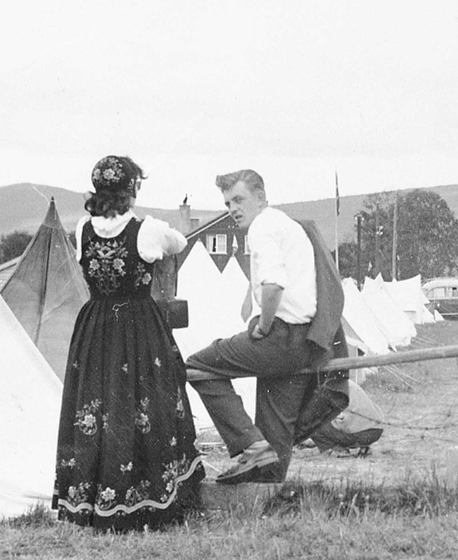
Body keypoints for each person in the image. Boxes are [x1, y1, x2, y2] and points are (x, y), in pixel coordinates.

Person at [53, 155, 204, 530]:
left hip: (96, 326)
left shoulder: (82, 229)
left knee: (98, 404)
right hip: (137, 325)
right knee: (146, 402)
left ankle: (97, 500)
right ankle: (150, 500)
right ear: (132, 189)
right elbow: (179, 242)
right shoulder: (148, 230)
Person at [187, 169, 345, 485]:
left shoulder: (262, 227)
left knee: (197, 366)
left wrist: (263, 325)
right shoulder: (288, 225)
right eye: (228, 202)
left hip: (282, 336)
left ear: (260, 197)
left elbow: (272, 285)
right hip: (307, 341)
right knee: (277, 427)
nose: (232, 209)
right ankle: (266, 494)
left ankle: (249, 444)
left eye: (239, 200)